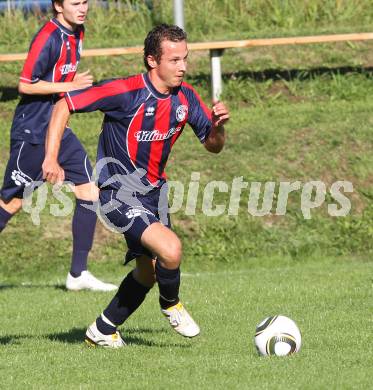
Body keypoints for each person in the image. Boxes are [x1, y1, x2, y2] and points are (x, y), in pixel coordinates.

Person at [42, 24, 230, 347]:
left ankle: (102, 330)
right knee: (171, 250)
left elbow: (212, 145)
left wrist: (219, 128)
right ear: (152, 61)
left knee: (148, 272)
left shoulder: (185, 98)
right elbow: (64, 105)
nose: (182, 66)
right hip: (117, 194)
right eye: (174, 60)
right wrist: (50, 157)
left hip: (155, 195)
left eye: (185, 58)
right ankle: (171, 305)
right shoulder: (125, 92)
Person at [0, 0, 117, 292]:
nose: (83, 8)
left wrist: (69, 80)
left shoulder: (78, 32)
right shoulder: (47, 37)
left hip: (57, 127)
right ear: (57, 5)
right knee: (11, 203)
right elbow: (25, 84)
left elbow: (57, 77)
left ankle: (78, 274)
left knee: (89, 190)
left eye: (86, 2)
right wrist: (68, 86)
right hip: (33, 132)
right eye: (75, 3)